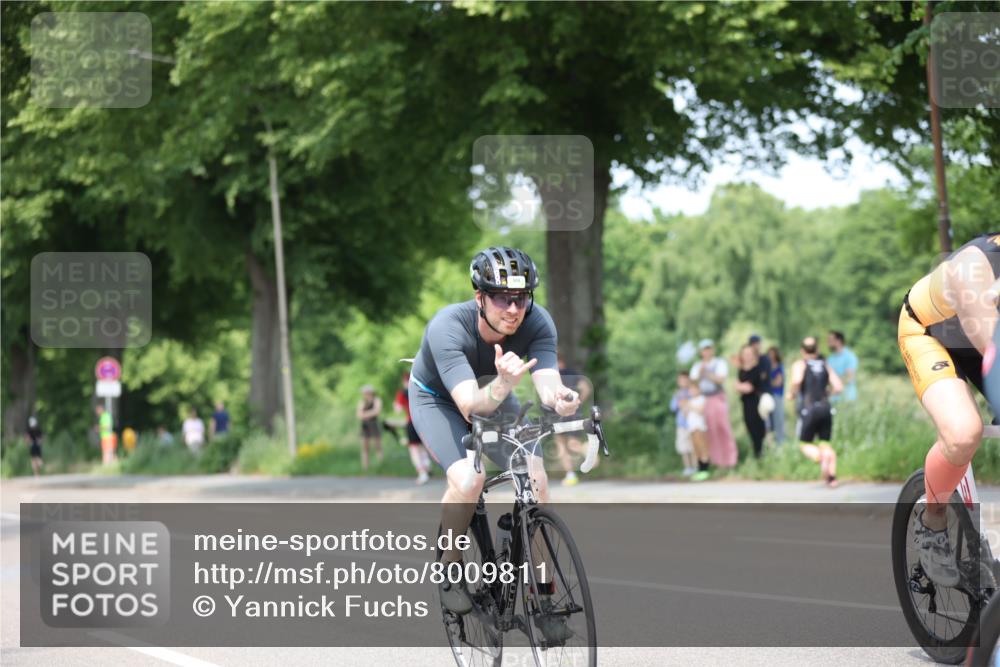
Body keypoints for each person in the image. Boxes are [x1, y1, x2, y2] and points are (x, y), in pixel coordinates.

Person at [408, 246, 580, 644]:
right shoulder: (447, 327)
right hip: (440, 400)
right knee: (469, 479)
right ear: (479, 298)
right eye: (502, 298)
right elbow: (470, 406)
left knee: (536, 478)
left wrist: (561, 399)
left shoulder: (537, 321)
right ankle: (450, 569)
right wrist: (502, 383)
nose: (514, 309)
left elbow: (548, 382)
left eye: (521, 298)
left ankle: (545, 598)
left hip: (495, 391)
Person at [898, 232, 1000, 586]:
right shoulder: (975, 266)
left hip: (981, 339)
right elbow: (993, 355)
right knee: (963, 433)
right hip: (929, 334)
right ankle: (933, 522)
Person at [787, 336, 843, 488]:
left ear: (802, 350)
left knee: (804, 444)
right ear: (817, 350)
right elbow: (838, 387)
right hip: (826, 408)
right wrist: (827, 394)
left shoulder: (800, 364)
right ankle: (832, 478)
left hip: (809, 409)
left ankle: (820, 458)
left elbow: (796, 381)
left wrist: (791, 394)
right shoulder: (825, 364)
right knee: (825, 443)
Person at [690, 339, 738, 470]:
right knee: (709, 432)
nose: (707, 352)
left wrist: (706, 373)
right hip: (703, 400)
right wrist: (700, 374)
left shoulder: (719, 363)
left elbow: (720, 379)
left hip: (717, 398)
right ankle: (714, 462)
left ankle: (730, 460)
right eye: (704, 349)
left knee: (723, 428)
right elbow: (693, 384)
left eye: (708, 349)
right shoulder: (697, 366)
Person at [554, 353, 592, 487]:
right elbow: (586, 388)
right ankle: (587, 451)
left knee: (562, 445)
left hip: (558, 412)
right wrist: (578, 403)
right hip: (573, 411)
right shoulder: (573, 373)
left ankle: (571, 475)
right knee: (571, 443)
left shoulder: (552, 376)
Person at [395, 371, 431, 485]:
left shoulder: (402, 393)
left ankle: (422, 473)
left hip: (411, 422)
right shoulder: (421, 389)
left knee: (414, 449)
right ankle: (426, 464)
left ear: (403, 381)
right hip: (424, 421)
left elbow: (397, 410)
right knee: (423, 446)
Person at [735, 344, 769, 459]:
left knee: (759, 431)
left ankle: (762, 455)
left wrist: (740, 386)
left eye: (749, 354)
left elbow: (748, 388)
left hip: (757, 404)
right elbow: (739, 387)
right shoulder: (741, 370)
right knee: (751, 429)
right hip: (746, 404)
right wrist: (740, 386)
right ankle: (757, 456)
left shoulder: (757, 369)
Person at [670, 371, 696, 476]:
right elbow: (672, 408)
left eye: (685, 379)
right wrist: (679, 403)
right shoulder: (677, 394)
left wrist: (687, 403)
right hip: (681, 424)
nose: (683, 382)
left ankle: (695, 467)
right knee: (683, 447)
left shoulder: (693, 392)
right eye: (681, 380)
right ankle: (687, 468)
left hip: (693, 424)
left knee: (693, 446)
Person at [685, 382, 711, 481]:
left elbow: (700, 411)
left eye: (694, 389)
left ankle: (705, 470)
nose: (692, 391)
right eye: (690, 390)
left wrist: (690, 406)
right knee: (696, 450)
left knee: (703, 448)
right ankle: (700, 470)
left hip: (700, 428)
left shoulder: (702, 399)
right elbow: (687, 415)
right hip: (692, 428)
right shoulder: (690, 401)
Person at [357, 385, 384, 470]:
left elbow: (377, 411)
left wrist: (365, 414)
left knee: (377, 445)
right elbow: (359, 414)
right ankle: (365, 467)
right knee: (365, 447)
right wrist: (370, 413)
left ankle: (381, 464)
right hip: (365, 426)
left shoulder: (376, 400)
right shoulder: (362, 402)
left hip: (374, 424)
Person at [827, 331, 858, 402]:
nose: (828, 342)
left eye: (830, 340)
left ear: (838, 341)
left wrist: (836, 386)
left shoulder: (849, 356)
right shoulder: (830, 358)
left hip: (846, 398)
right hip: (833, 399)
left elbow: (849, 377)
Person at [767, 346, 786, 445]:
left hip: (777, 396)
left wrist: (768, 382)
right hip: (768, 397)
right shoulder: (767, 367)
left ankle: (780, 443)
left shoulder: (779, 367)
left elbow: (778, 382)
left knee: (778, 420)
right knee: (768, 422)